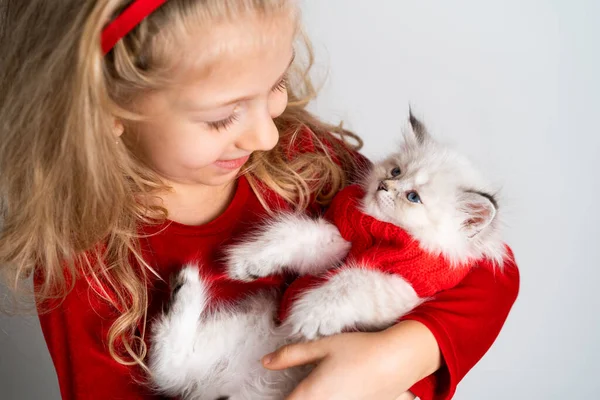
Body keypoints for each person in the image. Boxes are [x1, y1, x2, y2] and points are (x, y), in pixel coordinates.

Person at [0, 1, 519, 399]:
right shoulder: (82, 256)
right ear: (106, 111)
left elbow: (488, 272)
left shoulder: (302, 154)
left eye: (276, 83)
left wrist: (393, 358)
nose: (266, 135)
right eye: (223, 116)